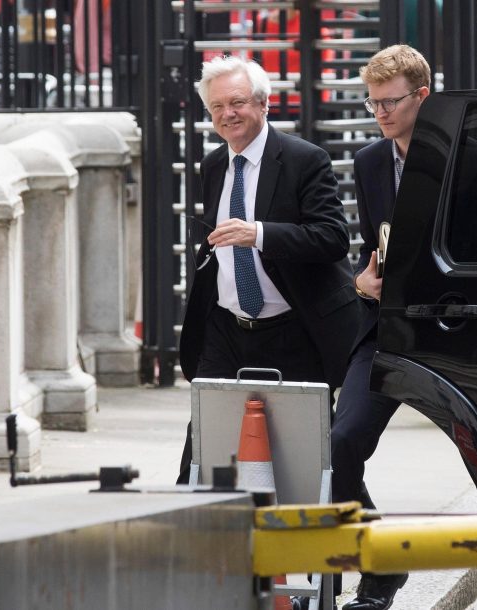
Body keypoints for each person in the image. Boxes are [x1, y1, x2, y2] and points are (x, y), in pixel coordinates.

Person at [176, 55, 360, 485]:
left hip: (292, 328)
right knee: (203, 439)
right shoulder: (214, 164)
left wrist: (258, 233)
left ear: (263, 104)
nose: (228, 114)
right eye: (217, 107)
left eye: (237, 102)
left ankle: (352, 520)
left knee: (311, 449)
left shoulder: (304, 159)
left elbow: (332, 238)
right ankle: (191, 526)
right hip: (225, 326)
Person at [329, 44, 430, 610]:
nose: (381, 114)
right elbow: (373, 246)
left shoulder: (467, 157)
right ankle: (383, 564)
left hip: (455, 329)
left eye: (389, 102)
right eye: (372, 105)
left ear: (422, 96)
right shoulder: (369, 163)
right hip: (386, 326)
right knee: (338, 444)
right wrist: (360, 282)